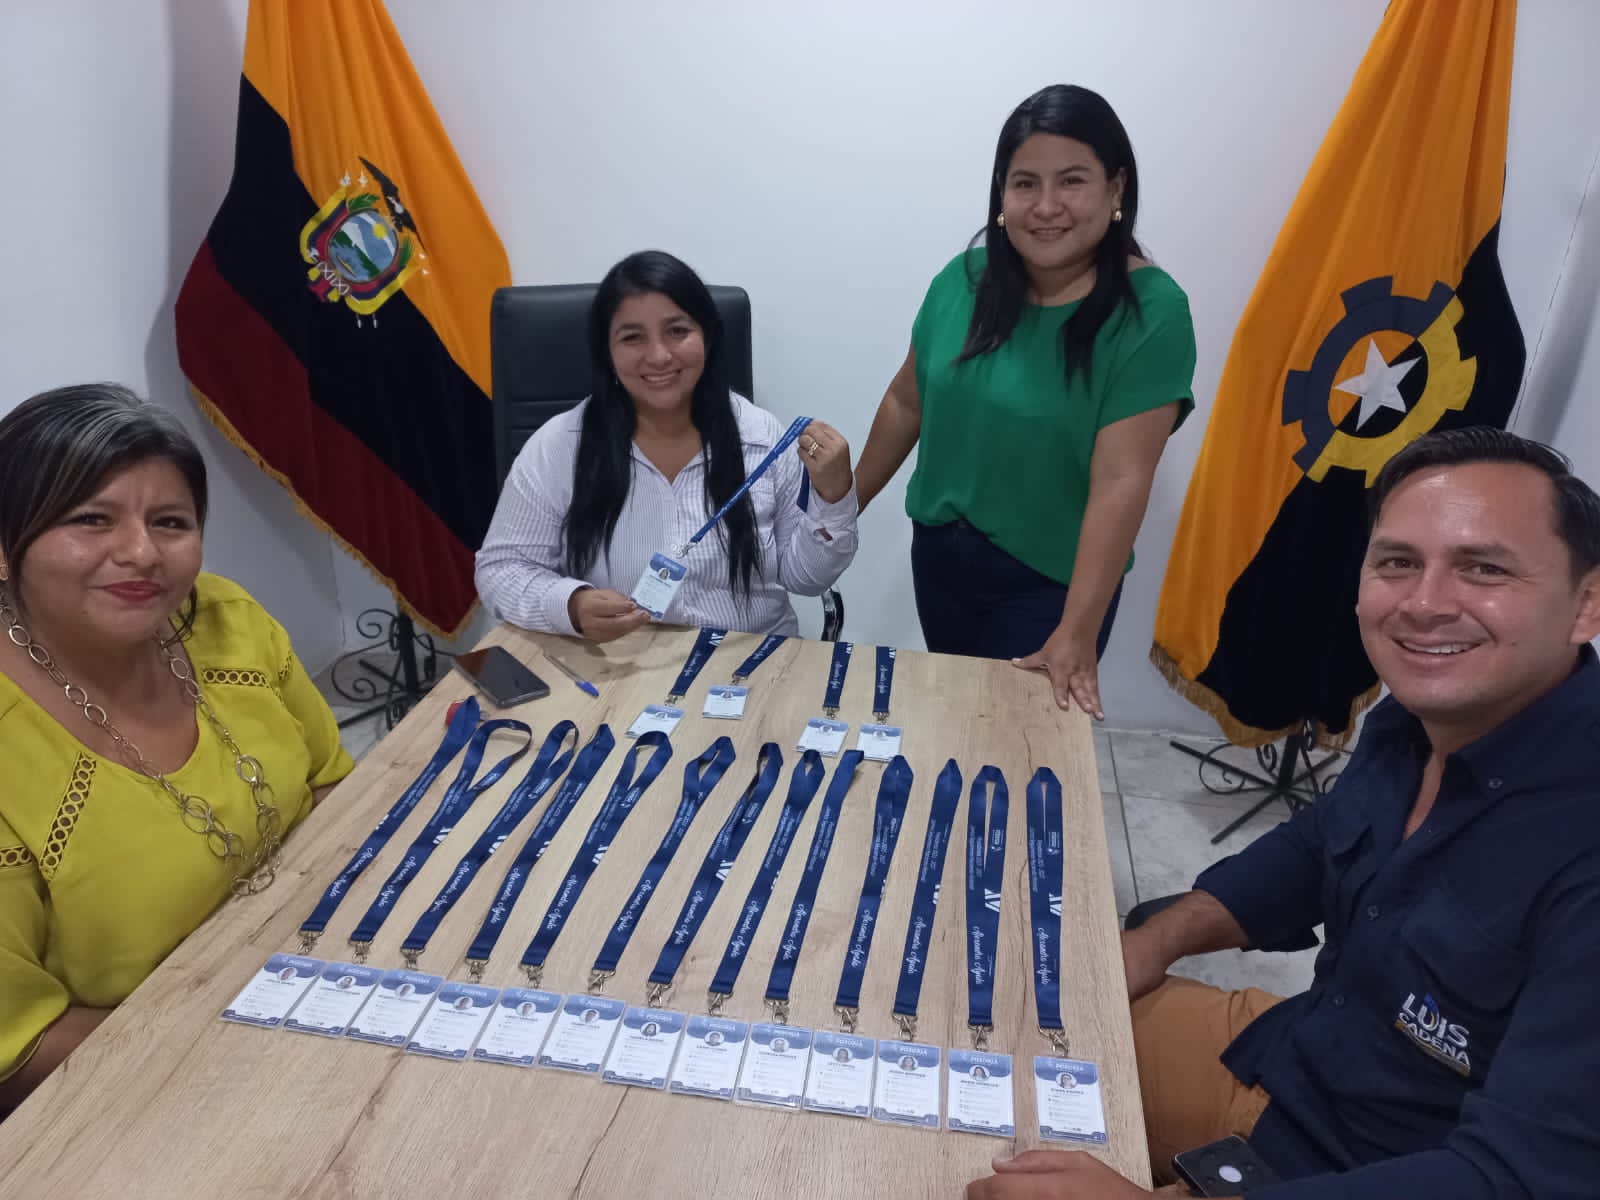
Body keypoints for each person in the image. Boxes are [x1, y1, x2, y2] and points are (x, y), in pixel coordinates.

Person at [966, 428, 1600, 1198]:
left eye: (1485, 568)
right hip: (1289, 1060)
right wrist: (1155, 940)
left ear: (1586, 604)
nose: (1425, 603)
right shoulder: (1416, 718)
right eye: (1398, 562)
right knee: (976, 1023)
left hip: (1372, 1168)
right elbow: (1314, 847)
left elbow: (1520, 1179)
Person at [0, 384, 352, 1110]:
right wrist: (243, 1046)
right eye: (91, 519)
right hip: (150, 1085)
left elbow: (330, 783)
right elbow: (23, 1043)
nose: (141, 552)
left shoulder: (225, 617)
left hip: (319, 975)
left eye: (170, 522)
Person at [854, 84, 1195, 719]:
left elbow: (1121, 481)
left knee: (1015, 747)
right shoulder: (962, 281)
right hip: (940, 559)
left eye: (1072, 181)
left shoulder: (1153, 312)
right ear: (1001, 193)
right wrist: (844, 507)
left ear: (1116, 189)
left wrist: (1077, 632)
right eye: (1024, 183)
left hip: (1050, 587)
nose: (1045, 206)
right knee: (958, 724)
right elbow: (907, 402)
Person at [476, 250, 859, 642]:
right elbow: (500, 570)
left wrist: (834, 498)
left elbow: (805, 578)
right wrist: (570, 605)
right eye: (632, 337)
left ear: (707, 335)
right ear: (606, 351)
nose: (658, 356)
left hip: (749, 658)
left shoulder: (761, 437)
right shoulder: (559, 446)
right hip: (618, 661)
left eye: (677, 331)